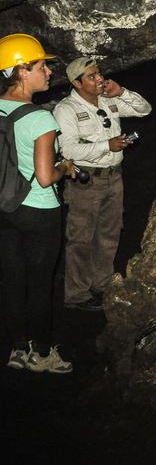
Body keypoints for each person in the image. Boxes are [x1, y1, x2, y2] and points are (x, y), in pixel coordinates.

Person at [0, 33, 78, 373]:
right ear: (21, 72)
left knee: (13, 280)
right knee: (40, 283)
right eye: (41, 66)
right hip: (38, 210)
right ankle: (43, 353)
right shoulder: (41, 119)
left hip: (5, 207)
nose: (48, 72)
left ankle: (17, 348)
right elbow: (46, 177)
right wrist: (65, 168)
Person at [54, 55, 151, 311]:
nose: (100, 79)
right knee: (80, 238)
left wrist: (122, 92)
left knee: (109, 233)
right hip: (86, 181)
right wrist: (106, 145)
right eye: (92, 77)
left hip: (114, 176)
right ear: (76, 83)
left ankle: (103, 283)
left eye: (99, 74)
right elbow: (69, 150)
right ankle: (77, 294)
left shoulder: (109, 100)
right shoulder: (66, 110)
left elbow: (144, 109)